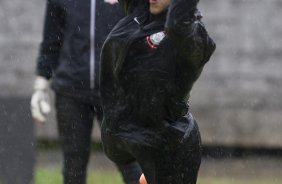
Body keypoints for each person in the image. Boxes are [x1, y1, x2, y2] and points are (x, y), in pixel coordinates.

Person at [100, 0, 216, 183]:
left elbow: (178, 25)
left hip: (169, 146)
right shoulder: (140, 12)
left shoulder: (192, 38)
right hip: (126, 139)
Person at [30, 0, 142, 183]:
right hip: (70, 91)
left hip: (116, 91)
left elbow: (143, 32)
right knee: (73, 162)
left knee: (128, 158)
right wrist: (40, 85)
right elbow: (51, 41)